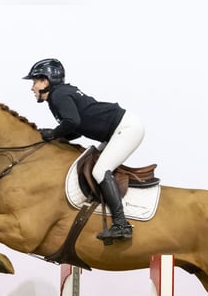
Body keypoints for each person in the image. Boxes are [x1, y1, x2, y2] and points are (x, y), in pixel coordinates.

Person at [22, 58, 144, 242]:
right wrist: (54, 137)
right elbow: (76, 130)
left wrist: (54, 134)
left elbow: (72, 122)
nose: (32, 88)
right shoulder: (59, 95)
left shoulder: (58, 95)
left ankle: (121, 224)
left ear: (45, 81)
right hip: (118, 130)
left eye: (34, 82)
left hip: (126, 128)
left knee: (100, 170)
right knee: (93, 164)